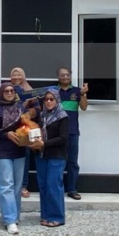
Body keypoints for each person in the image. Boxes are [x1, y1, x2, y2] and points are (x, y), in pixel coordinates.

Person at [0, 82, 29, 235]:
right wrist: (6, 134)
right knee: (6, 185)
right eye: (6, 91)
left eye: (12, 91)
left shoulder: (20, 108)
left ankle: (15, 216)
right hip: (2, 151)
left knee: (17, 186)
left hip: (19, 150)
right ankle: (9, 220)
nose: (10, 93)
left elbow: (27, 124)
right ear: (2, 93)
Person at [30, 87, 70, 227]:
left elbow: (63, 138)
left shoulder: (62, 116)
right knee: (44, 186)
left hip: (56, 156)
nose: (48, 102)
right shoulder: (42, 116)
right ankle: (46, 215)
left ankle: (57, 217)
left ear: (57, 100)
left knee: (54, 186)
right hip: (41, 155)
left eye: (51, 99)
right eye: (46, 99)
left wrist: (44, 144)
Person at [51, 65, 90, 200]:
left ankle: (72, 189)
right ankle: (57, 189)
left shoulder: (77, 91)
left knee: (72, 162)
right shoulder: (53, 91)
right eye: (63, 75)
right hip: (56, 133)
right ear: (58, 76)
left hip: (72, 131)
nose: (65, 77)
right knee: (57, 161)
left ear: (71, 75)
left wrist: (84, 94)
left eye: (67, 74)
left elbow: (84, 107)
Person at [7, 66, 35, 199]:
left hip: (24, 129)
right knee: (7, 158)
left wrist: (29, 113)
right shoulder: (7, 90)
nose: (16, 78)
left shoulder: (30, 91)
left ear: (23, 76)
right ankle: (9, 185)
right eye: (14, 75)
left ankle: (23, 186)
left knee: (25, 158)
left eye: (19, 75)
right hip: (9, 129)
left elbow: (37, 108)